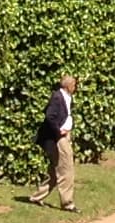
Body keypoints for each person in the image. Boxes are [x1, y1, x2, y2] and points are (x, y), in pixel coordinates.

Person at [29, 69, 78, 212]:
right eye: (74, 85)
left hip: (65, 135)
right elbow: (49, 116)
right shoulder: (57, 97)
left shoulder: (67, 97)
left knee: (54, 170)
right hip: (59, 138)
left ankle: (37, 197)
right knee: (66, 170)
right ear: (68, 86)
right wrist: (59, 131)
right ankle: (67, 203)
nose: (75, 88)